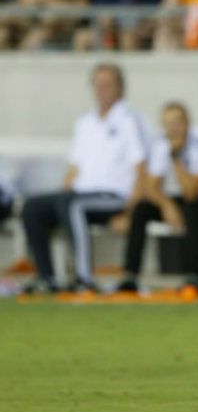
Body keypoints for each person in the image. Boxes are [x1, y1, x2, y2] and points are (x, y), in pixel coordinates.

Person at [22, 64, 148, 293]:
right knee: (33, 207)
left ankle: (84, 277)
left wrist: (131, 210)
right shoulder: (85, 123)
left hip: (113, 195)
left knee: (72, 204)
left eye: (107, 84)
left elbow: (141, 168)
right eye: (97, 84)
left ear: (120, 88)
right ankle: (47, 278)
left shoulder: (129, 120)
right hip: (80, 194)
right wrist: (58, 198)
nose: (101, 89)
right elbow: (74, 169)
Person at [118, 102, 198, 291]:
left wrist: (175, 157)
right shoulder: (161, 144)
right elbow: (152, 187)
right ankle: (130, 275)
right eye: (168, 124)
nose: (173, 129)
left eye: (177, 123)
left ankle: (195, 275)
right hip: (185, 199)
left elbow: (193, 192)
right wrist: (167, 206)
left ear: (187, 123)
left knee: (191, 208)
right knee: (142, 209)